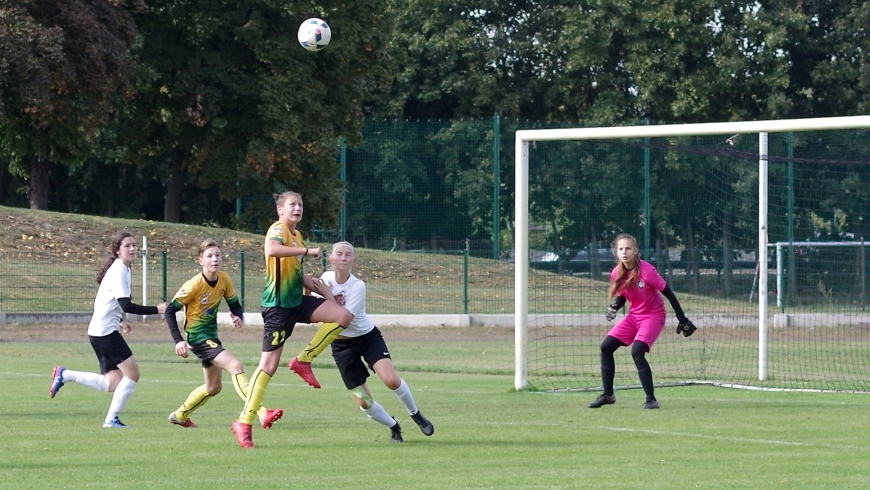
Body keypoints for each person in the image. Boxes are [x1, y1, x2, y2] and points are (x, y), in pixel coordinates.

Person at [231, 191, 353, 448]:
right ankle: (244, 421)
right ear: (280, 210)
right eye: (292, 205)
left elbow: (299, 276)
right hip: (278, 307)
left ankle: (303, 360)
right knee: (268, 366)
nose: (297, 208)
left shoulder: (296, 236)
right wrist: (307, 251)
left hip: (296, 302)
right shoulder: (278, 229)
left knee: (342, 316)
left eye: (300, 204)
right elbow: (273, 250)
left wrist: (328, 296)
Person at [315, 241, 433, 442]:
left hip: (367, 338)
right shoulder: (325, 278)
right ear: (331, 259)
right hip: (341, 346)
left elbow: (343, 317)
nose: (343, 258)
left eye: (348, 255)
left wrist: (326, 295)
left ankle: (416, 414)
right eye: (339, 254)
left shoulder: (358, 286)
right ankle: (394, 426)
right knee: (364, 402)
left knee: (390, 380)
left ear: (354, 260)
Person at [49, 231, 167, 428]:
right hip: (105, 333)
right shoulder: (119, 270)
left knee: (112, 382)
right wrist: (157, 309)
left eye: (134, 245)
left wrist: (120, 320)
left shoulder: (124, 269)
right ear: (117, 250)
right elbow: (126, 305)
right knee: (133, 374)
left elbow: (108, 302)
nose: (132, 249)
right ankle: (111, 420)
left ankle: (66, 374)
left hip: (100, 331)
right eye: (127, 245)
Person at [165, 239, 284, 430]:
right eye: (209, 256)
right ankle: (261, 412)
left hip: (211, 337)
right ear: (200, 260)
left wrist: (238, 316)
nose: (214, 259)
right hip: (198, 338)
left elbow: (235, 304)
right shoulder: (194, 284)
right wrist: (178, 340)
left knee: (213, 388)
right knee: (235, 365)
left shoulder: (224, 279)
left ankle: (179, 415)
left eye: (217, 255)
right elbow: (170, 310)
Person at [588, 233, 696, 410]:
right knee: (606, 347)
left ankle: (651, 399)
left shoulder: (647, 271)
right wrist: (614, 305)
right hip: (634, 316)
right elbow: (622, 296)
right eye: (621, 249)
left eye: (628, 248)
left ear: (636, 251)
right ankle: (608, 395)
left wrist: (682, 319)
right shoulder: (616, 272)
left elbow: (668, 293)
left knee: (637, 351)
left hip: (653, 315)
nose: (624, 252)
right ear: (616, 251)